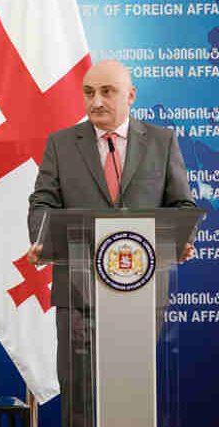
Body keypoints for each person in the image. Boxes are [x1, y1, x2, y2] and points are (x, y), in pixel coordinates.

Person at [26, 59, 195, 427]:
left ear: (131, 95)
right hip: (78, 292)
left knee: (132, 394)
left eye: (107, 91)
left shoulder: (162, 142)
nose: (96, 101)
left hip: (141, 292)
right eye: (88, 92)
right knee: (81, 398)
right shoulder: (61, 144)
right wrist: (41, 238)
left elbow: (181, 205)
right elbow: (42, 202)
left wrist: (180, 239)